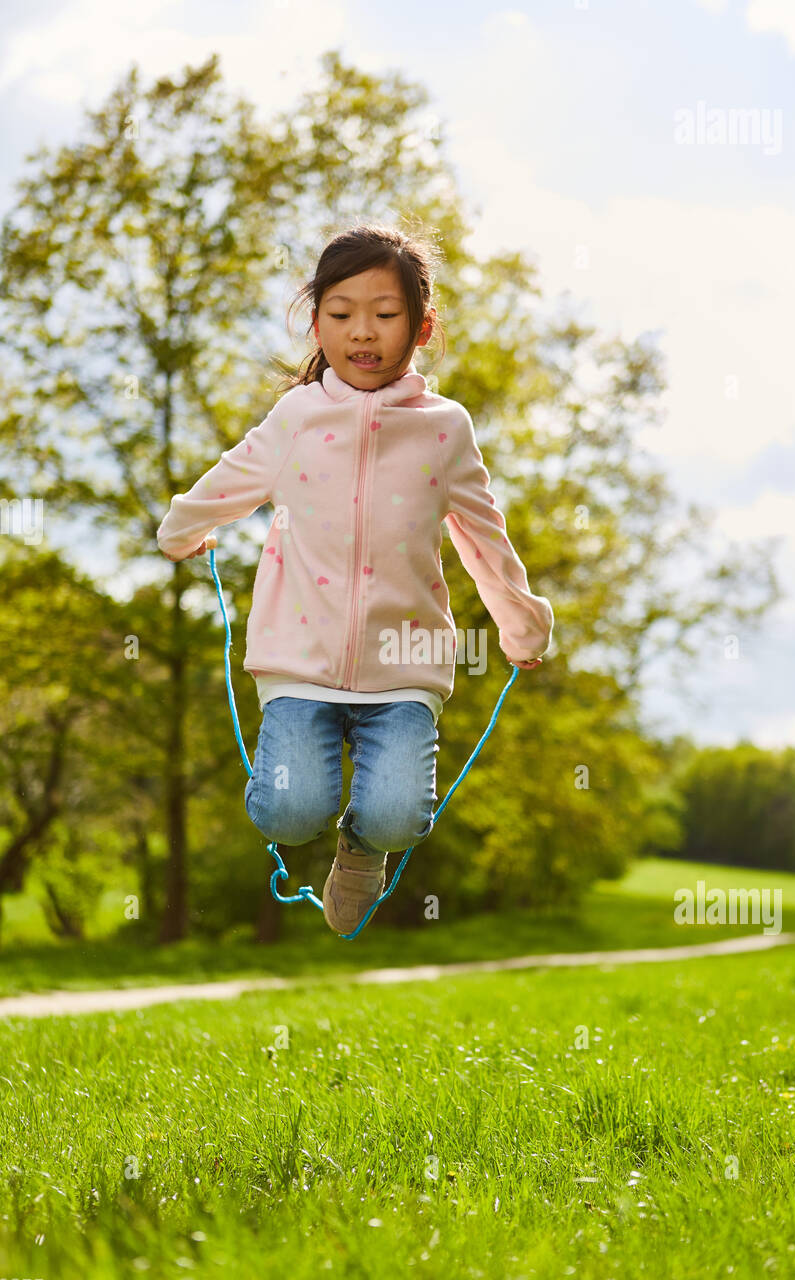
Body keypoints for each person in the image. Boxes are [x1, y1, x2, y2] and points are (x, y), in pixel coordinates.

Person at [156, 221, 554, 936]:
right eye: (341, 315)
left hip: (406, 664)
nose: (362, 332)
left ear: (422, 327)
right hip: (299, 658)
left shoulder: (445, 429)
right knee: (290, 810)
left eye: (384, 314)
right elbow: (236, 474)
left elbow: (481, 535)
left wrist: (520, 619)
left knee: (402, 815)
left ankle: (362, 851)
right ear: (316, 323)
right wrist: (183, 527)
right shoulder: (299, 417)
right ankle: (308, 819)